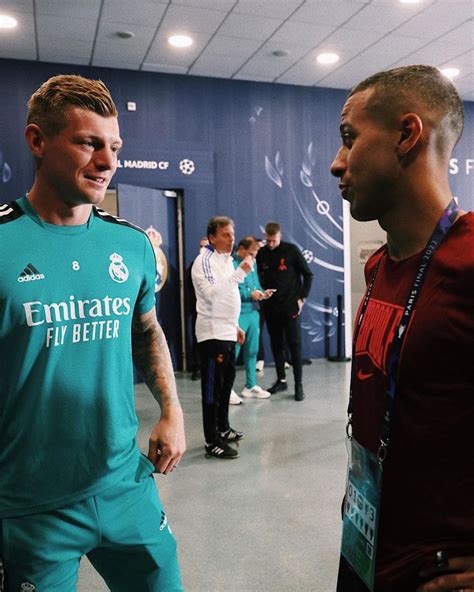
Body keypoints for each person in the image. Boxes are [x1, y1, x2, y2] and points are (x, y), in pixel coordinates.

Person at [0, 74, 186, 591]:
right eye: (88, 143)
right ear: (37, 140)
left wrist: (172, 411)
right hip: (31, 505)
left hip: (126, 485)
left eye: (114, 146)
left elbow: (146, 330)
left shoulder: (130, 245)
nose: (108, 162)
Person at [330, 64, 474, 591]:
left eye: (350, 139)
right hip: (368, 540)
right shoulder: (380, 267)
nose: (336, 162)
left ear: (407, 135)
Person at [191, 216, 253, 459]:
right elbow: (212, 296)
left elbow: (228, 297)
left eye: (232, 233)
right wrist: (240, 274)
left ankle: (223, 428)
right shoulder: (203, 261)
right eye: (225, 234)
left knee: (226, 384)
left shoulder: (226, 261)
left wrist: (235, 325)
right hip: (212, 335)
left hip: (227, 331)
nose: (231, 238)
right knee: (212, 390)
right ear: (212, 238)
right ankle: (211, 440)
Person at [257, 222, 313, 401]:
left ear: (279, 236)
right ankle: (281, 380)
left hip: (290, 306)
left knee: (294, 344)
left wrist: (302, 298)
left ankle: (298, 384)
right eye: (268, 240)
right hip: (271, 307)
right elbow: (258, 276)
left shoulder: (291, 250)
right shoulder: (262, 253)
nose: (271, 244)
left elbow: (308, 274)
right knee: (276, 344)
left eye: (273, 240)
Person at [233, 236, 274, 399]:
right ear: (241, 249)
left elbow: (255, 283)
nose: (253, 258)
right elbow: (231, 289)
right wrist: (250, 294)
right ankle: (226, 390)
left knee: (252, 351)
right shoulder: (231, 264)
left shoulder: (253, 264)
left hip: (253, 313)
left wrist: (262, 293)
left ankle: (250, 386)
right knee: (233, 353)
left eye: (255, 255)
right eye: (250, 254)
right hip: (238, 314)